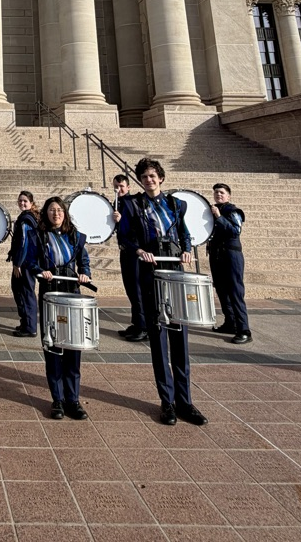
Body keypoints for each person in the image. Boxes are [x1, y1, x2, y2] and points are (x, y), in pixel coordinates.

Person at [119, 157, 208, 427]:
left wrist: (186, 250)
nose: (149, 180)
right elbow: (125, 238)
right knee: (159, 342)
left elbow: (185, 234)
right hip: (151, 272)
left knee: (180, 339)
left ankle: (186, 401)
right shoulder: (133, 205)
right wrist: (139, 251)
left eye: (152, 175)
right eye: (144, 176)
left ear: (161, 177)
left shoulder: (175, 204)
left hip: (176, 273)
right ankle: (167, 401)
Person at [31, 196, 91, 420]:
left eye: (59, 210)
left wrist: (85, 274)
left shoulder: (75, 236)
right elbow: (29, 261)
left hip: (71, 292)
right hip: (50, 292)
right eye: (51, 210)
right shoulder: (37, 235)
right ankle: (57, 399)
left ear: (65, 213)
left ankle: (73, 399)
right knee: (53, 345)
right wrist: (40, 270)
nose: (56, 213)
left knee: (73, 346)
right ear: (46, 213)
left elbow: (83, 260)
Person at [208, 183, 252, 344]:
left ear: (229, 195)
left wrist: (219, 216)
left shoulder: (233, 211)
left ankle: (244, 329)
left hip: (231, 255)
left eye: (221, 192)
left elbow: (235, 230)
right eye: (216, 192)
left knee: (235, 291)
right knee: (221, 290)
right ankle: (230, 323)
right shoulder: (213, 210)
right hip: (217, 255)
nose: (218, 195)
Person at [112, 173, 147, 342]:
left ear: (128, 187)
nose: (118, 190)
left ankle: (143, 326)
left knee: (136, 289)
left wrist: (120, 220)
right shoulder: (116, 203)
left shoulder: (133, 202)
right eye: (116, 187)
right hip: (125, 250)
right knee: (130, 288)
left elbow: (135, 225)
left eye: (121, 186)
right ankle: (136, 323)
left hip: (135, 251)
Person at [8, 189, 41, 338]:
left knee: (25, 292)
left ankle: (30, 327)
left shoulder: (27, 219)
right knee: (20, 290)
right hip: (27, 261)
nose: (22, 203)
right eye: (20, 201)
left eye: (25, 201)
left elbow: (24, 243)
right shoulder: (28, 216)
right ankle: (26, 322)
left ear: (31, 203)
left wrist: (18, 263)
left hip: (25, 263)